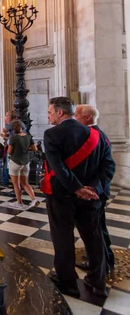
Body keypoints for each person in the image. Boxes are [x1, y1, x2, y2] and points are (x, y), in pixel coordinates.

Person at [43, 97, 115, 297]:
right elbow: (109, 166)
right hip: (92, 197)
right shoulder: (96, 135)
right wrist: (93, 188)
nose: (48, 115)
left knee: (63, 238)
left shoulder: (51, 134)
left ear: (60, 113)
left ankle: (68, 283)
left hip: (61, 196)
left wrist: (76, 187)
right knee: (94, 238)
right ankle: (97, 282)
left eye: (50, 111)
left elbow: (58, 168)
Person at [75, 104, 116, 274]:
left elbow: (108, 167)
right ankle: (106, 259)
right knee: (99, 228)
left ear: (87, 117)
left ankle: (98, 266)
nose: (74, 119)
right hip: (98, 191)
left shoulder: (95, 136)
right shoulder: (98, 134)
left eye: (77, 115)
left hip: (94, 193)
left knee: (93, 233)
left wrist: (92, 188)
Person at [7, 120, 39, 210]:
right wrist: (26, 148)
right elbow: (34, 149)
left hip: (15, 162)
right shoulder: (28, 137)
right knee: (25, 183)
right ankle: (33, 199)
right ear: (22, 128)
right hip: (25, 162)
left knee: (16, 184)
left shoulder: (13, 138)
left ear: (14, 129)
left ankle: (19, 203)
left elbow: (9, 152)